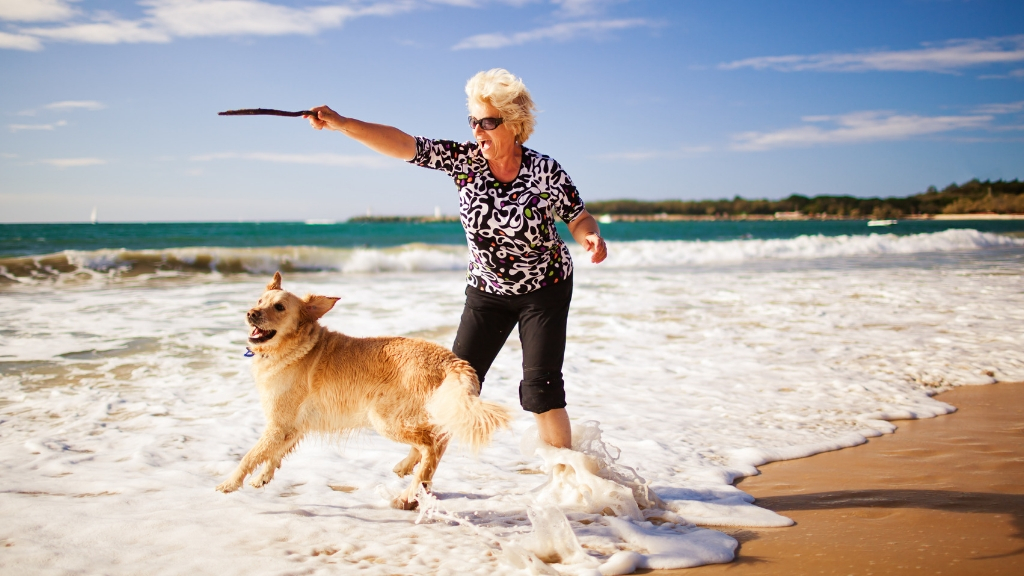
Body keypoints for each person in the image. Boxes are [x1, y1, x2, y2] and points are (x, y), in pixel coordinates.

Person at [305, 68, 607, 449]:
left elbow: (578, 216)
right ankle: (423, 479)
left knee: (541, 389)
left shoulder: (546, 171)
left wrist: (590, 237)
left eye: (488, 123)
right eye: (473, 122)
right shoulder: (465, 161)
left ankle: (569, 481)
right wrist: (345, 124)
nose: (477, 132)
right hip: (487, 292)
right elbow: (404, 145)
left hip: (544, 289)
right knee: (454, 387)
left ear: (514, 124)